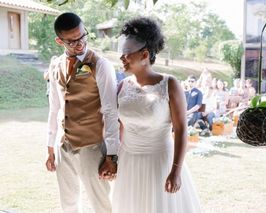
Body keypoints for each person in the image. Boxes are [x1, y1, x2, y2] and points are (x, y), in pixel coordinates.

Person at [113, 17, 201, 213]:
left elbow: (181, 129)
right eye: (121, 54)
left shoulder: (170, 84)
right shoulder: (122, 86)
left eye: (127, 54)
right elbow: (119, 125)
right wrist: (113, 159)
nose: (122, 58)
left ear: (144, 54)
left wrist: (176, 171)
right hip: (128, 161)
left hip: (160, 162)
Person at [45, 12, 119, 213]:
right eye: (72, 41)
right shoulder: (55, 65)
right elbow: (55, 107)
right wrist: (50, 146)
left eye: (83, 36)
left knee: (101, 204)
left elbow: (111, 111)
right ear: (59, 41)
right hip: (63, 145)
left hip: (92, 146)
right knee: (68, 203)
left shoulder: (101, 65)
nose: (80, 44)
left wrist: (112, 156)